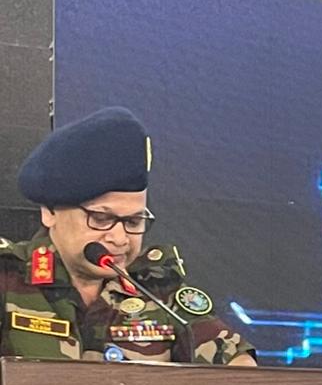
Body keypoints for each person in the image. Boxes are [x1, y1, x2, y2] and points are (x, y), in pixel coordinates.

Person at [1, 106, 255, 364]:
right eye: (101, 219)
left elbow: (239, 365)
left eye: (133, 221)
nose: (120, 238)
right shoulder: (7, 279)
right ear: (50, 212)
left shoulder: (156, 289)